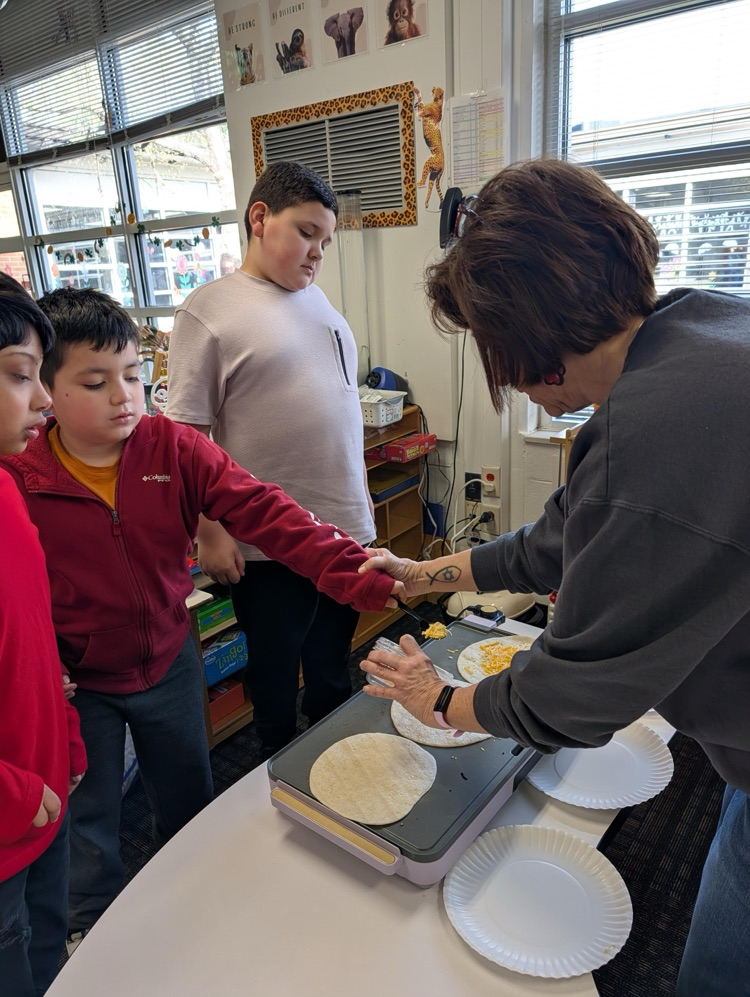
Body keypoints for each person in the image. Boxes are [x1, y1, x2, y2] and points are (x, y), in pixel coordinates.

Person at [358, 158, 750, 996]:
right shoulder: (702, 327)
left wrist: (437, 699)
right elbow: (563, 537)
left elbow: (569, 698)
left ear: (525, 349)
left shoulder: (650, 427)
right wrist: (426, 573)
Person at [0, 286, 401, 951]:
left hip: (166, 659)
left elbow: (266, 510)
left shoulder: (171, 448)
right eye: (95, 382)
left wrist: (351, 568)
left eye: (134, 374)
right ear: (46, 388)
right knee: (89, 817)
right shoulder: (19, 474)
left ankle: (197, 907)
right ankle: (92, 933)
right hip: (82, 681)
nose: (125, 395)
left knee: (188, 789)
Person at [166, 160, 377, 760]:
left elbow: (338, 412)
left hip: (342, 529)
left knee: (334, 664)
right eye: (307, 232)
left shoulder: (317, 302)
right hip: (268, 542)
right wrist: (208, 530)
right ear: (260, 219)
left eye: (326, 241)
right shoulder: (209, 311)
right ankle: (278, 771)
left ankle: (337, 760)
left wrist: (360, 506)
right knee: (276, 671)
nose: (317, 253)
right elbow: (187, 439)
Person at [0, 287, 87, 995]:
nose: (42, 400)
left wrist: (63, 736)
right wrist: (15, 793)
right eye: (18, 374)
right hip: (8, 817)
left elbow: (33, 644)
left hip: (44, 789)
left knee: (49, 938)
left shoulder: (6, 490)